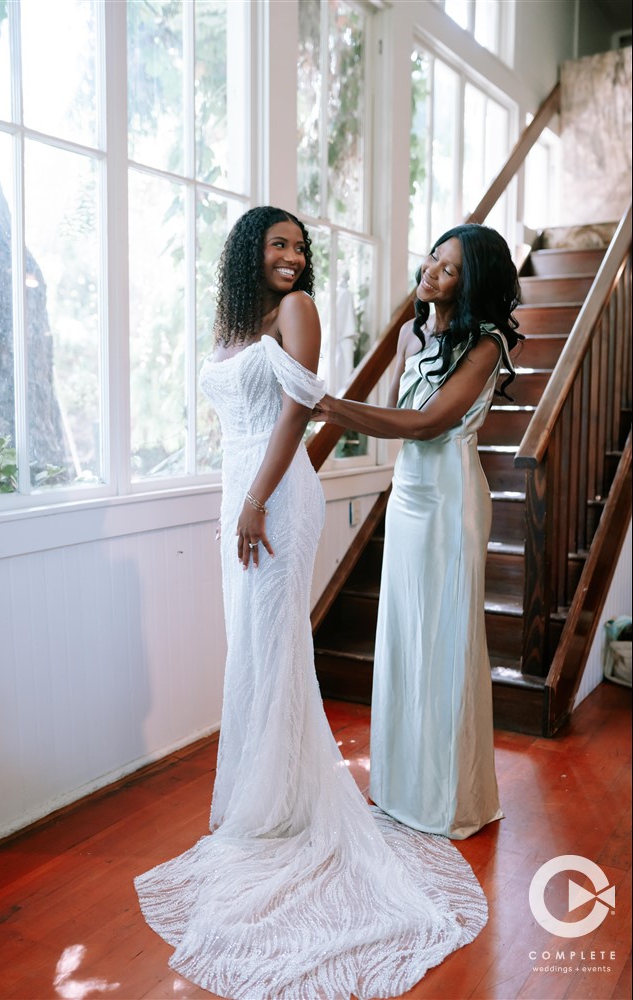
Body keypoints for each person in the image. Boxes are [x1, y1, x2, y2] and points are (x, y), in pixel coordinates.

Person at [135, 208, 489, 1000]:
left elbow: (298, 410)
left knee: (275, 644)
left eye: (301, 246)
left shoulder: (298, 311)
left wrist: (258, 496)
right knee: (252, 648)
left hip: (276, 492)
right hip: (240, 491)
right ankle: (269, 799)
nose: (294, 257)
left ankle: (285, 810)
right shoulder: (241, 320)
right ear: (247, 253)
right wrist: (238, 498)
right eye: (279, 244)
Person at [314, 222, 522, 840]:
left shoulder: (484, 345)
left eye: (450, 267)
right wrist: (343, 409)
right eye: (434, 256)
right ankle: (401, 787)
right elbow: (400, 413)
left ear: (471, 282)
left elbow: (427, 422)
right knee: (404, 633)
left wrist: (331, 406)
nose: (432, 269)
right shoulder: (410, 333)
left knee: (446, 637)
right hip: (407, 496)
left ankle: (448, 797)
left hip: (451, 498)